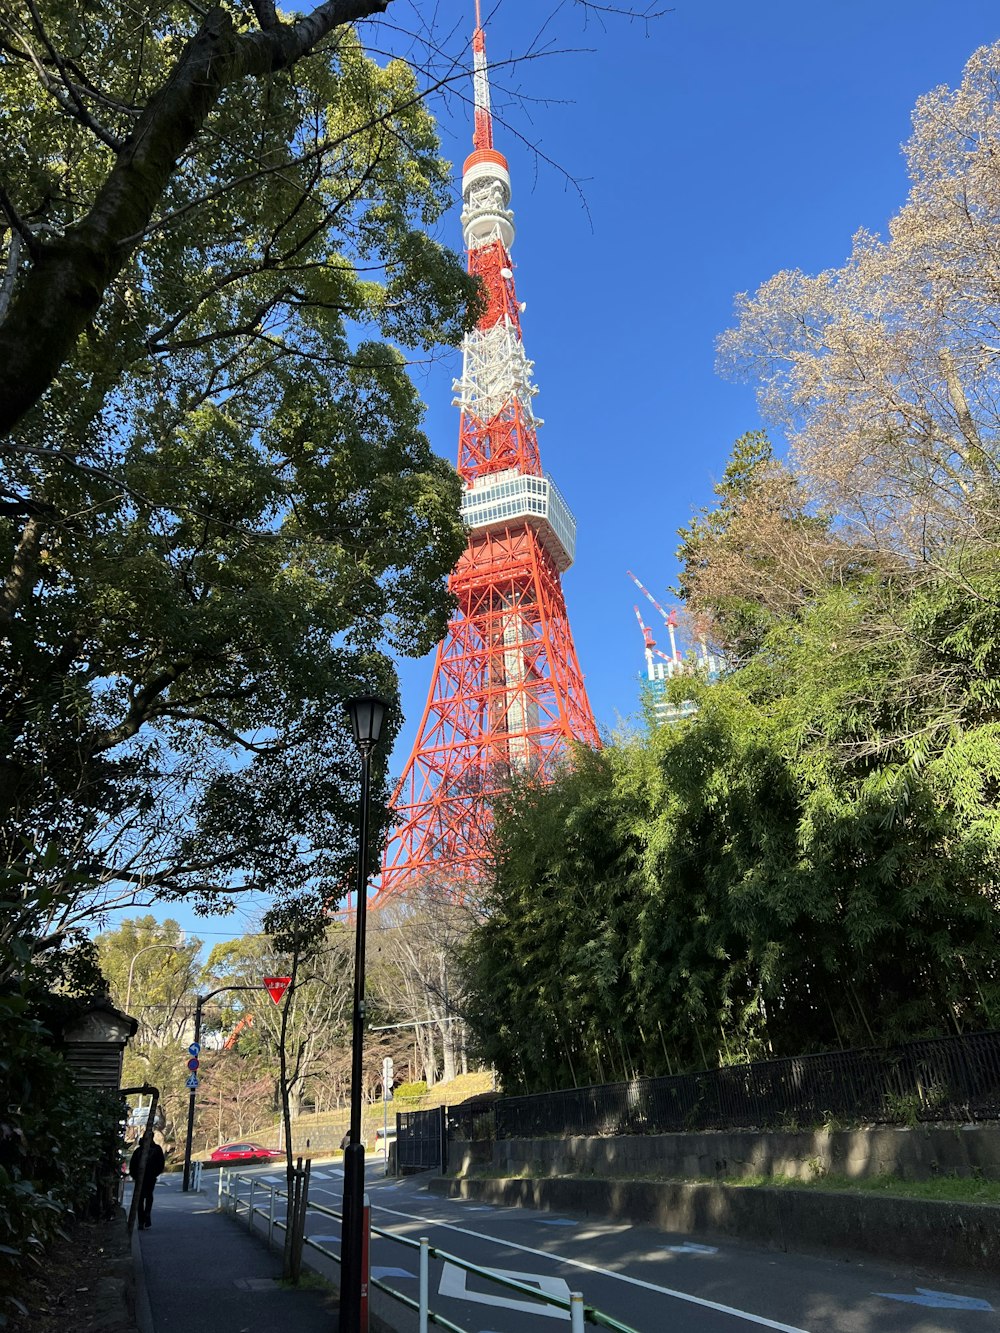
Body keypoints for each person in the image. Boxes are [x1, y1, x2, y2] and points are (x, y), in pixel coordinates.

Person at [129, 1136, 166, 1230]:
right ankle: (142, 1219)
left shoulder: (155, 1149)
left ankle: (146, 1216)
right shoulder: (139, 1151)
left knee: (146, 1196)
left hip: (150, 1177)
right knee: (142, 1198)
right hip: (142, 1177)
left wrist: (154, 1173)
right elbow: (132, 1164)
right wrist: (135, 1175)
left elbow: (161, 1163)